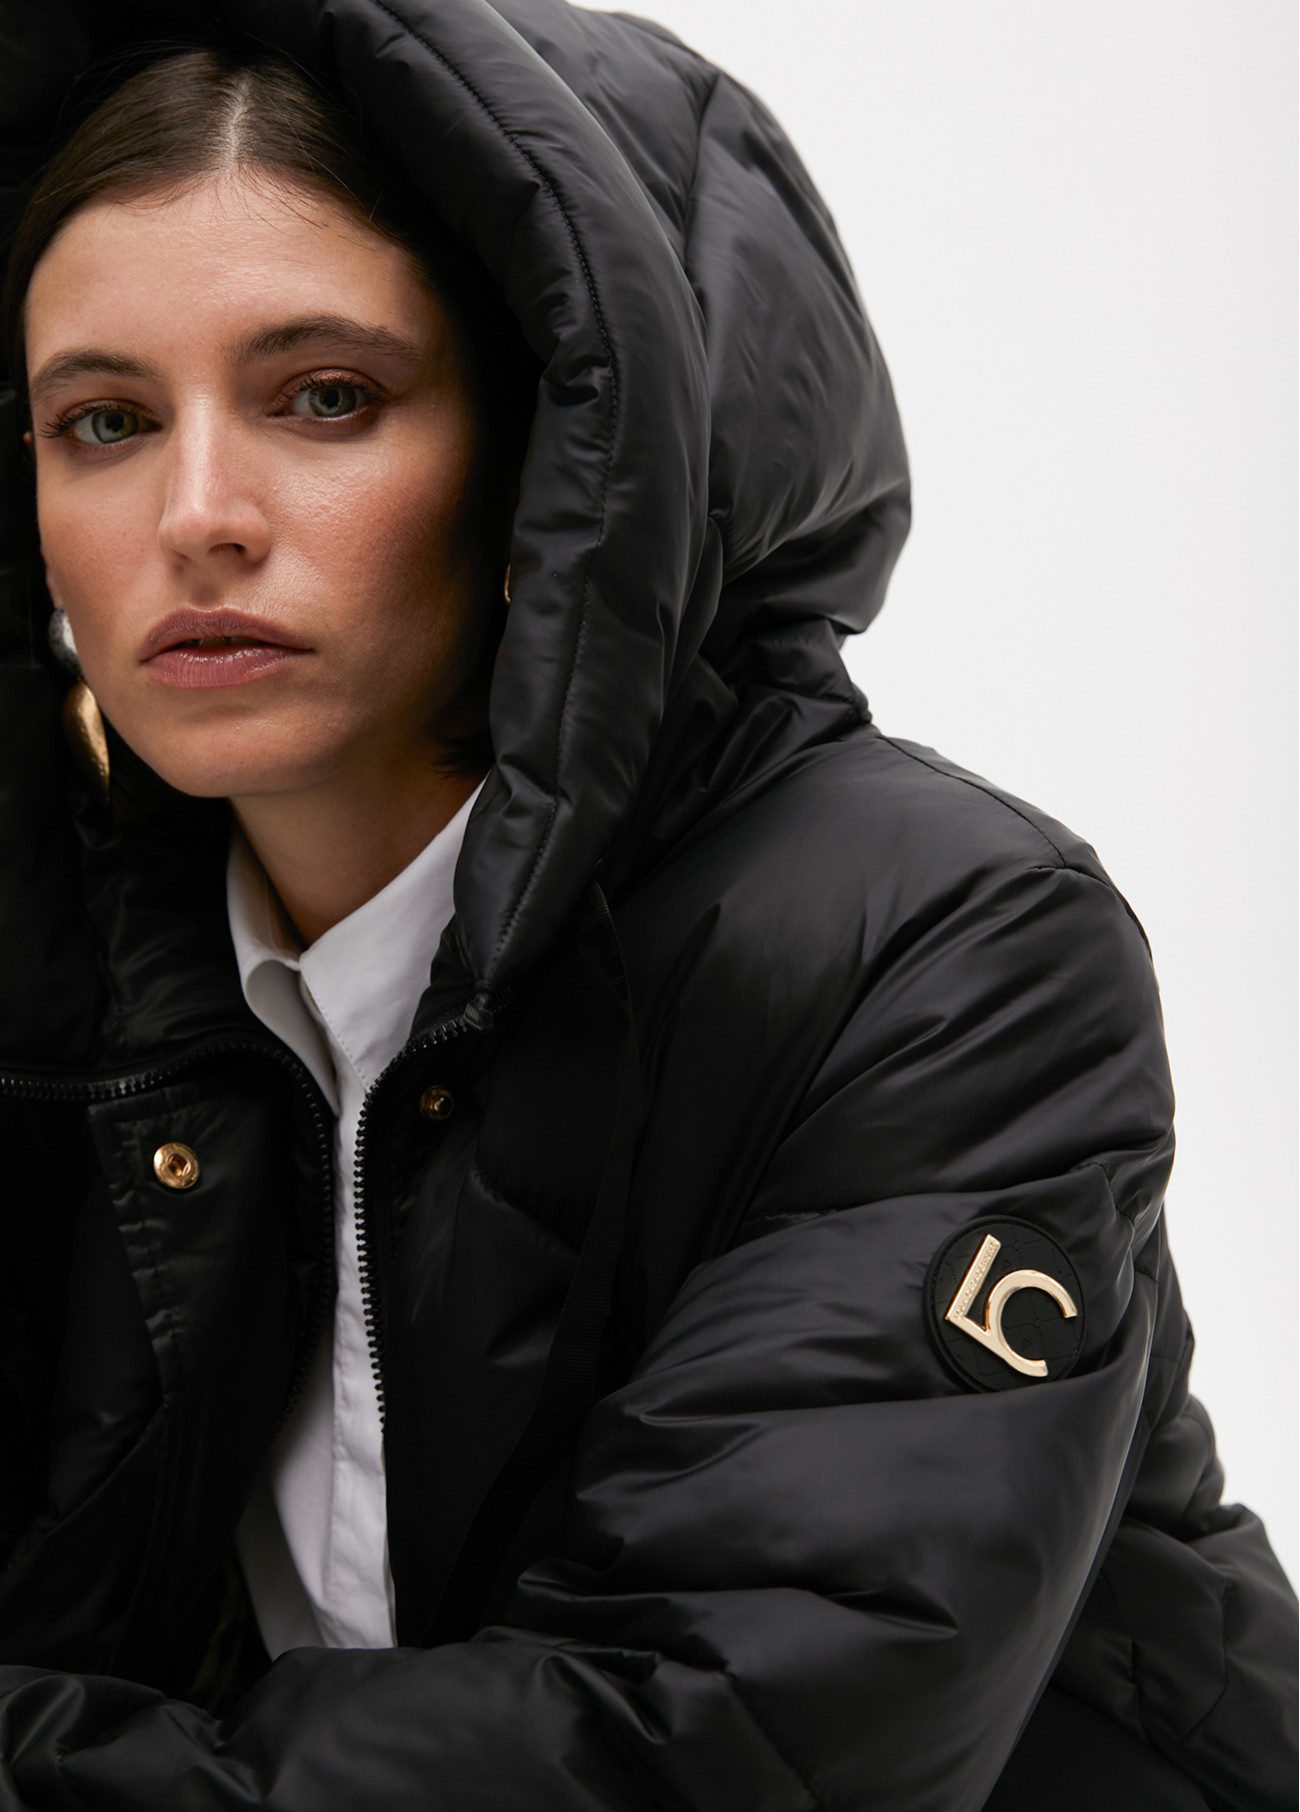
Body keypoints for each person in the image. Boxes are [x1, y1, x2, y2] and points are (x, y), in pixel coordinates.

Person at [0, 3, 1293, 1808]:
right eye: (104, 421)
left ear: (559, 457)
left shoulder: (943, 949)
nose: (197, 513)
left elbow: (699, 1746)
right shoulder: (74, 956)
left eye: (326, 397)